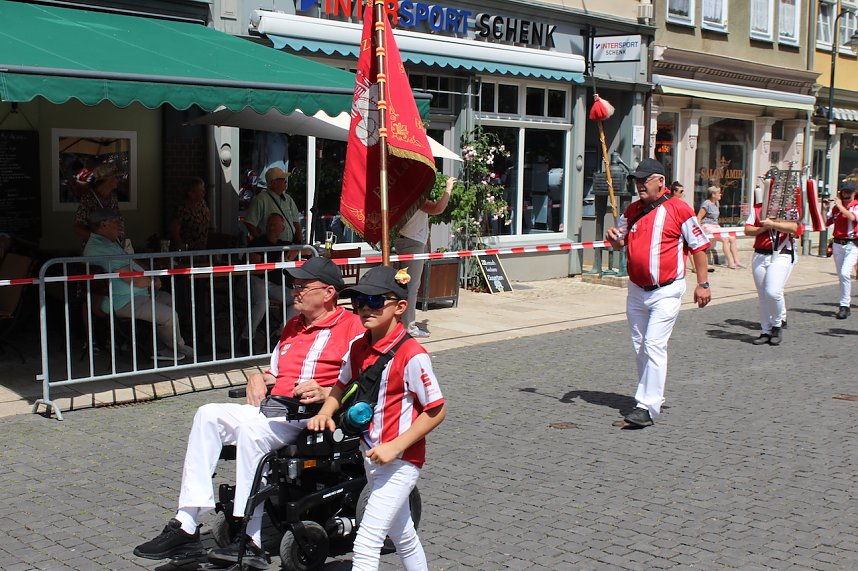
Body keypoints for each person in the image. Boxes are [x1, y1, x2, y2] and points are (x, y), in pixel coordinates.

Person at [133, 257, 365, 567]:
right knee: (207, 414)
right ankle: (186, 523)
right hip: (276, 410)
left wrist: (326, 392)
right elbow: (276, 372)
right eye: (293, 285)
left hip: (312, 417)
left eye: (301, 286)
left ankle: (250, 537)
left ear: (328, 292)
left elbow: (364, 380)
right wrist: (257, 377)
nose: (294, 291)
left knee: (252, 431)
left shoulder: (352, 328)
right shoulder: (293, 326)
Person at [307, 265, 446, 570]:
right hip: (371, 455)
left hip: (401, 461)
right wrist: (326, 411)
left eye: (374, 301)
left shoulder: (413, 355)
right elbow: (341, 384)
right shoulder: (358, 346)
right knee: (403, 534)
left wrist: (395, 446)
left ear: (400, 307)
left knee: (367, 540)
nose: (364, 309)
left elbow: (436, 410)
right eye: (358, 302)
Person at [605, 158, 712, 428]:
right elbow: (619, 242)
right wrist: (614, 238)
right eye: (637, 181)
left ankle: (647, 406)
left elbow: (699, 247)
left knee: (653, 344)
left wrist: (703, 283)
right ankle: (647, 398)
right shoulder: (632, 210)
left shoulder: (680, 209)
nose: (640, 185)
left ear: (661, 181)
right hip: (636, 289)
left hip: (667, 289)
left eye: (645, 180)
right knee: (640, 345)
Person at [82, 209, 192, 361]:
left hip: (130, 296)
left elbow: (131, 264)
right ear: (104, 224)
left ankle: (157, 345)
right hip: (122, 301)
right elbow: (132, 278)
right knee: (169, 316)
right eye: (116, 222)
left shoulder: (107, 243)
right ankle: (175, 348)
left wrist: (149, 274)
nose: (120, 225)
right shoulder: (103, 248)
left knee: (168, 299)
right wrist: (153, 281)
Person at [394, 176, 455, 337]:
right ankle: (408, 326)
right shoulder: (416, 198)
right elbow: (437, 209)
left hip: (406, 241)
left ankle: (400, 322)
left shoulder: (404, 196)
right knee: (411, 286)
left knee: (403, 284)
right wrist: (448, 189)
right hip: (412, 243)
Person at [744, 198, 801, 346]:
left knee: (773, 291)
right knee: (763, 296)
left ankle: (777, 325)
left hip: (781, 253)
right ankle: (765, 331)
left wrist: (773, 224)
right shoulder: (758, 208)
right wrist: (762, 228)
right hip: (760, 254)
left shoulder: (789, 207)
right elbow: (748, 229)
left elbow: (794, 228)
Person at [239, 213, 297, 348]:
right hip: (252, 280)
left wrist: (291, 254)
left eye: (275, 225)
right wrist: (276, 263)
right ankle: (246, 338)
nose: (271, 228)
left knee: (298, 300)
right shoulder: (257, 243)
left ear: (282, 229)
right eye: (269, 225)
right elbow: (254, 269)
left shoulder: (283, 245)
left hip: (272, 285)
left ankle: (279, 334)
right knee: (262, 302)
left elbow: (306, 250)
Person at [824, 183, 858, 319]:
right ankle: (845, 306)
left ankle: (844, 305)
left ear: (854, 193)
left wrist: (839, 206)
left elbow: (852, 217)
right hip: (837, 244)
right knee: (841, 275)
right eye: (844, 192)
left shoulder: (856, 206)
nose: (846, 195)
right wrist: (825, 209)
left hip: (852, 244)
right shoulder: (836, 209)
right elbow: (825, 222)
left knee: (845, 273)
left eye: (849, 192)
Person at [244, 167, 302, 244]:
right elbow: (250, 223)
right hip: (271, 246)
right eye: (282, 179)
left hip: (290, 244)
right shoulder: (261, 199)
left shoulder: (288, 199)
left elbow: (296, 222)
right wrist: (261, 242)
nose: (285, 181)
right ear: (273, 182)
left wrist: (299, 239)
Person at [74, 163, 125, 245]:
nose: (118, 180)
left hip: (115, 247)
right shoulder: (89, 199)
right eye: (116, 177)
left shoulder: (113, 197)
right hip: (97, 248)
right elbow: (78, 228)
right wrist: (101, 241)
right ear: (108, 179)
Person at [698, 186, 743, 269]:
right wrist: (699, 229)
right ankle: (730, 262)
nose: (720, 194)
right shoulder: (706, 204)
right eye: (718, 193)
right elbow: (699, 217)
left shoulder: (716, 203)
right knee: (725, 239)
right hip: (707, 226)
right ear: (713, 195)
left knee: (732, 238)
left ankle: (737, 261)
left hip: (715, 226)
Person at [169, 177, 210, 251]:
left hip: (202, 250)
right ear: (191, 193)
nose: (203, 192)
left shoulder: (202, 204)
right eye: (200, 190)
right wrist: (182, 248)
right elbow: (174, 230)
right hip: (188, 250)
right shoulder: (182, 209)